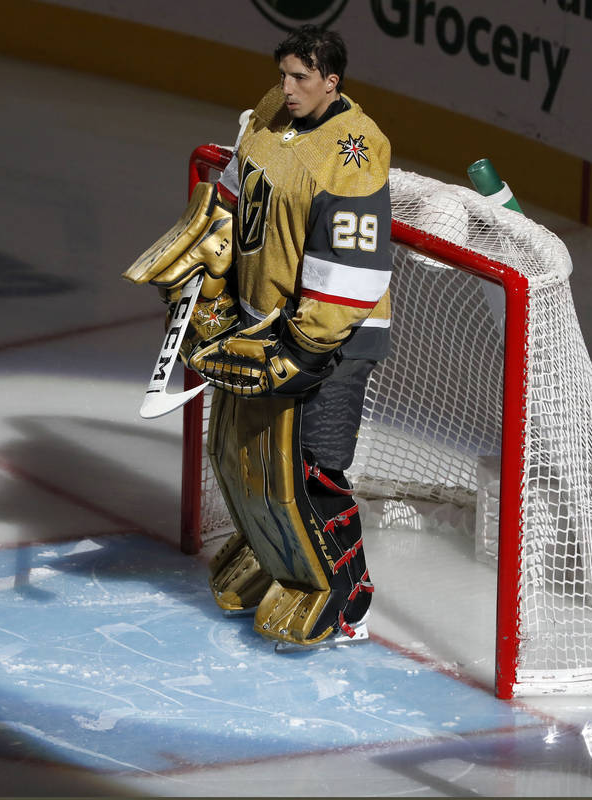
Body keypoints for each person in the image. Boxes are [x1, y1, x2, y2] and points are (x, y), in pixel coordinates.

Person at [124, 25, 392, 649]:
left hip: (334, 338)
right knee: (242, 456)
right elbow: (235, 200)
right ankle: (281, 564)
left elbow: (352, 266)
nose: (287, 88)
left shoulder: (356, 150)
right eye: (283, 75)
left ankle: (350, 601)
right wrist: (208, 269)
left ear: (333, 80)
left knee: (314, 471)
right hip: (263, 322)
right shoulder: (270, 115)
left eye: (302, 78)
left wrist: (304, 345)